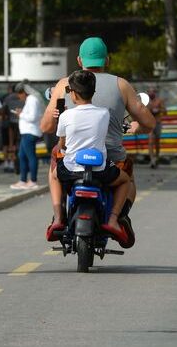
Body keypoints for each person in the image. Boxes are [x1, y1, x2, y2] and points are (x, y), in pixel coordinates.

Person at [40, 37, 155, 247]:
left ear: (78, 60)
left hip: (72, 159)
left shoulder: (64, 84)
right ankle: (118, 216)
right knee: (127, 176)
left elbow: (46, 127)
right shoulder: (121, 84)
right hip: (108, 159)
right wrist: (139, 127)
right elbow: (149, 122)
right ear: (107, 60)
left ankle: (58, 216)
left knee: (55, 162)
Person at [55, 70, 132, 244]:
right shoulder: (104, 113)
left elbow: (61, 145)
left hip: (71, 170)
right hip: (99, 170)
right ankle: (113, 219)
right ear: (93, 92)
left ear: (73, 93)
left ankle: (58, 218)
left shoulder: (66, 115)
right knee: (125, 180)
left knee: (53, 176)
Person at [10, 83, 43, 190]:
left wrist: (21, 114)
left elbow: (33, 117)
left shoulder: (32, 100)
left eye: (19, 94)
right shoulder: (30, 100)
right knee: (22, 156)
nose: (19, 97)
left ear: (24, 92)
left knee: (30, 156)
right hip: (27, 132)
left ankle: (33, 180)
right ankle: (23, 180)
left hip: (30, 132)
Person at [1, 85, 23, 173]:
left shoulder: (7, 98)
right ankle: (15, 163)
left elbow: (3, 110)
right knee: (16, 144)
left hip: (8, 123)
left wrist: (3, 119)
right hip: (20, 123)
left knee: (6, 145)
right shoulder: (23, 97)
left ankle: (7, 163)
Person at [147, 88, 167, 168]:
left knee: (157, 142)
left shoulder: (159, 101)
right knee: (150, 141)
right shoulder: (146, 102)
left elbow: (165, 112)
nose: (150, 93)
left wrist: (158, 110)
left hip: (158, 123)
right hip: (150, 123)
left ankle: (157, 157)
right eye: (149, 92)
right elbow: (143, 111)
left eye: (152, 92)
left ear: (155, 93)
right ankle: (152, 160)